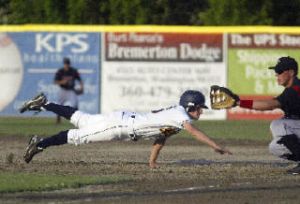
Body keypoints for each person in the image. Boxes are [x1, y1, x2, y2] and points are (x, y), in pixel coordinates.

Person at [20, 90, 231, 168]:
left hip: (122, 119)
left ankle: (44, 103)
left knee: (81, 119)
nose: (201, 112)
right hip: (120, 126)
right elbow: (194, 132)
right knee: (77, 136)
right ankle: (39, 144)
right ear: (191, 106)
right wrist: (216, 146)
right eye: (200, 108)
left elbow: (161, 138)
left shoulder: (176, 117)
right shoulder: (181, 116)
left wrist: (152, 161)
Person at [218, 56, 300, 174]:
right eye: (276, 72)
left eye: (280, 71)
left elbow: (269, 105)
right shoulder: (291, 89)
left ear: (291, 72)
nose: (277, 75)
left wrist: (238, 102)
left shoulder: (296, 88)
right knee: (276, 147)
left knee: (279, 125)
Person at [54, 57, 84, 124]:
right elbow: (55, 81)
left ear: (69, 64)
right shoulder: (60, 71)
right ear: (64, 64)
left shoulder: (73, 71)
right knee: (59, 105)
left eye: (67, 63)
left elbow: (80, 80)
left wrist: (82, 88)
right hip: (63, 90)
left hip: (71, 91)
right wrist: (62, 82)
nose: (66, 65)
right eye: (65, 64)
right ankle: (58, 120)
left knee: (75, 105)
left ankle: (78, 120)